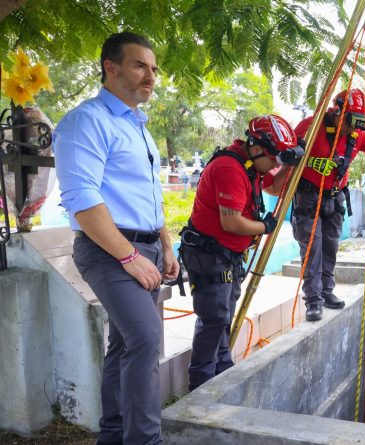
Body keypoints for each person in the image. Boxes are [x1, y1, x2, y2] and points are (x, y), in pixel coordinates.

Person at [53, 32, 179, 445]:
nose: (151, 77)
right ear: (111, 67)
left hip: (144, 247)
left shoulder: (137, 126)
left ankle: (112, 435)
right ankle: (145, 439)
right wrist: (129, 258)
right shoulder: (86, 121)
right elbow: (83, 200)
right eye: (140, 65)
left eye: (154, 69)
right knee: (145, 338)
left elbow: (147, 194)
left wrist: (164, 242)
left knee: (124, 343)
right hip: (108, 250)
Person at [180, 115, 303, 391]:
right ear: (257, 147)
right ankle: (200, 384)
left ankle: (222, 368)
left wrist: (289, 166)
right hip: (210, 254)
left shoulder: (251, 165)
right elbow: (231, 222)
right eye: (273, 159)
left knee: (224, 314)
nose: (274, 165)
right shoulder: (230, 168)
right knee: (214, 318)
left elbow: (273, 186)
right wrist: (265, 226)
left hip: (227, 256)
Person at [292, 88, 365, 322]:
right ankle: (313, 300)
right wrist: (311, 163)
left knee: (330, 247)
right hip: (309, 197)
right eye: (350, 122)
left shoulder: (355, 136)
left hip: (335, 198)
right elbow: (286, 155)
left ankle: (326, 292)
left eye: (359, 124)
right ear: (338, 112)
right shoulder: (311, 126)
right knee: (312, 249)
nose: (353, 129)